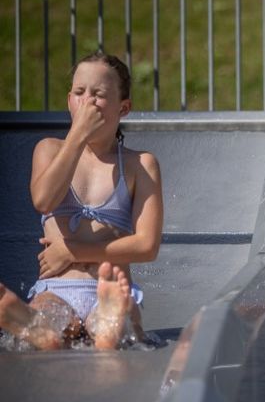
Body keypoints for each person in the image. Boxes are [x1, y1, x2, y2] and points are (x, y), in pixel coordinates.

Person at [0, 52, 163, 350]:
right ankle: (33, 325)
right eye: (79, 92)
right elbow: (44, 200)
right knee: (48, 315)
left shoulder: (140, 164)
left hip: (111, 285)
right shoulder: (49, 150)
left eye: (98, 95)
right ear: (69, 101)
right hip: (58, 287)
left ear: (123, 108)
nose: (87, 101)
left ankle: (111, 318)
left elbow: (147, 246)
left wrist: (72, 250)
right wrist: (77, 135)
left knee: (113, 325)